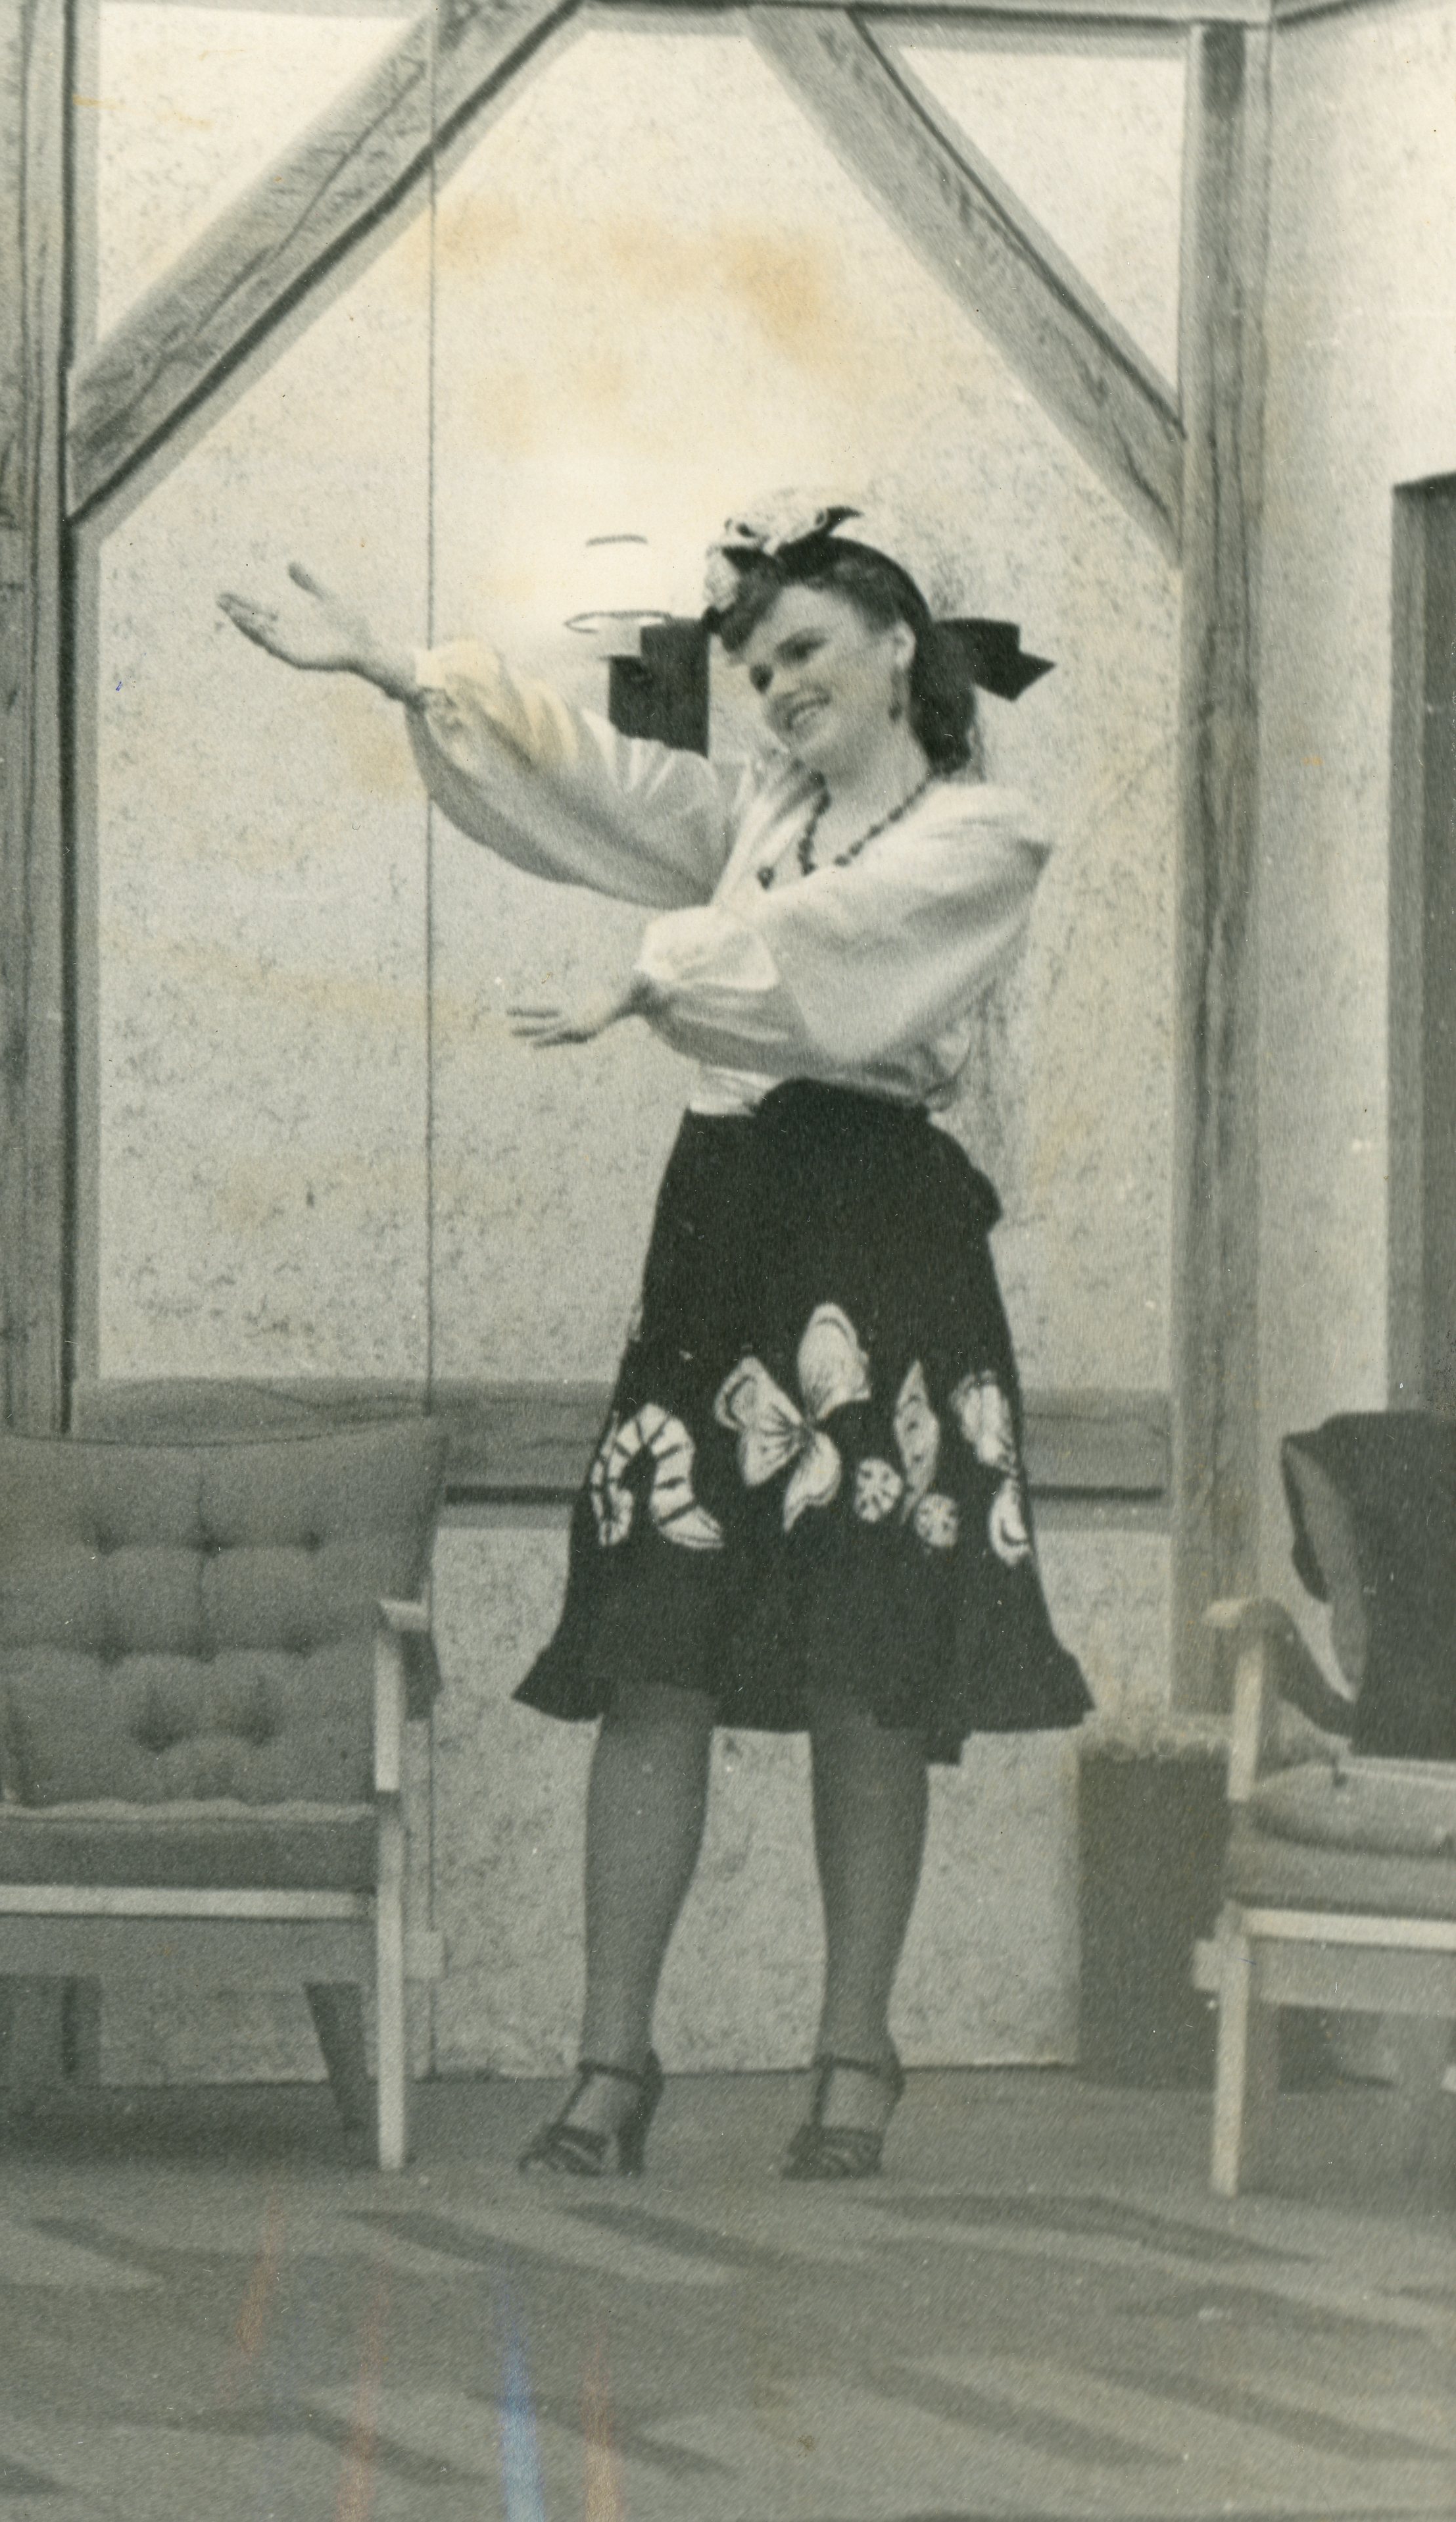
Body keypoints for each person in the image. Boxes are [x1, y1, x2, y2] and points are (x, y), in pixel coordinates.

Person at [221, 493, 1091, 2181]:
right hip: (723, 1233)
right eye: (755, 668)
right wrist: (402, 669)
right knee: (654, 1648)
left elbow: (846, 946)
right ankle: (610, 2062)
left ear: (896, 645)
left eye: (804, 649)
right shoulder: (756, 814)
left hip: (876, 1237)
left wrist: (653, 977)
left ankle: (853, 2057)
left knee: (866, 1667)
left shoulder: (984, 833)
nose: (777, 687)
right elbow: (599, 780)